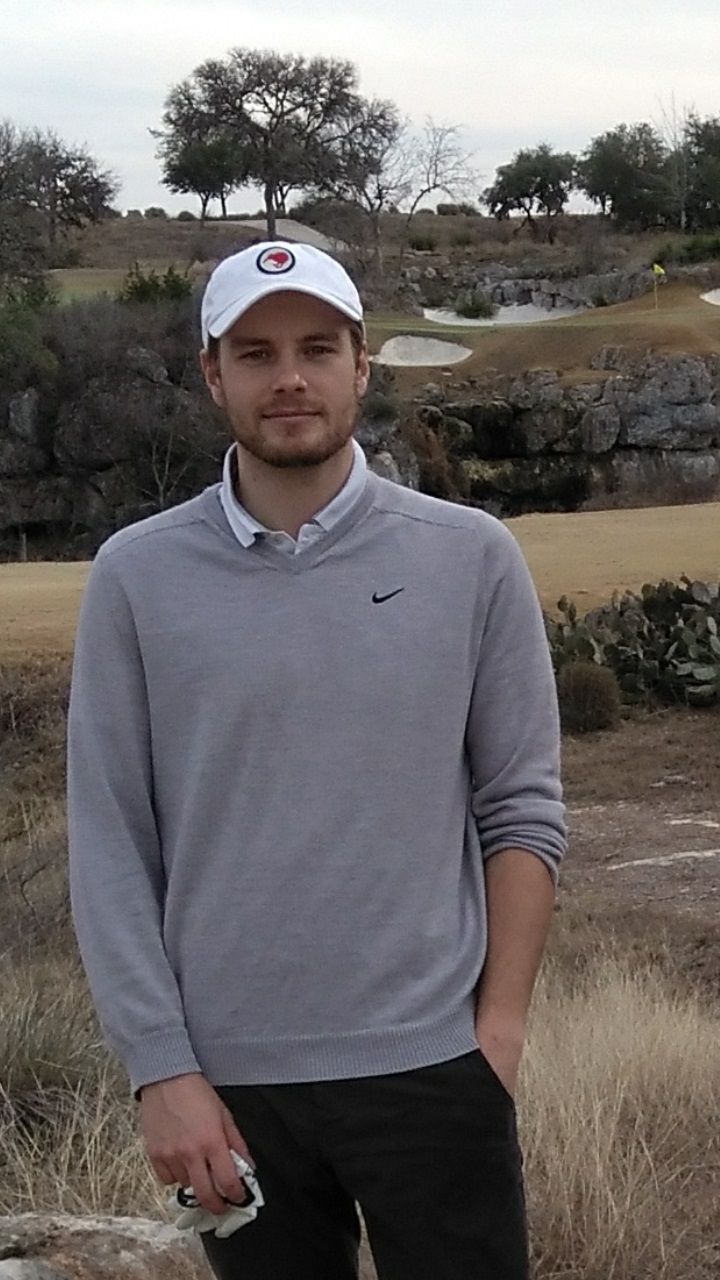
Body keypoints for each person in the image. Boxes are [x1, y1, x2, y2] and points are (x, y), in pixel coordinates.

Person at [67, 240, 567, 1280]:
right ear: (214, 375)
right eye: (255, 354)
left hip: (435, 1068)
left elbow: (521, 811)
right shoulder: (135, 577)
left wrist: (498, 1038)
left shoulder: (472, 556)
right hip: (227, 1092)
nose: (289, 377)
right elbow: (111, 842)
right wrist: (161, 1070)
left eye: (317, 348)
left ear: (361, 365)